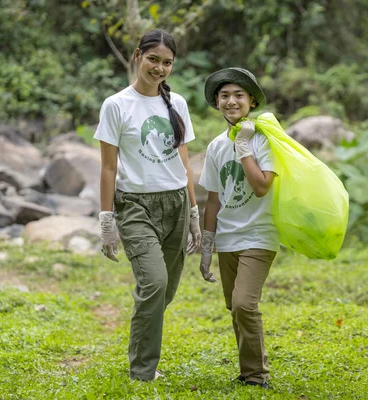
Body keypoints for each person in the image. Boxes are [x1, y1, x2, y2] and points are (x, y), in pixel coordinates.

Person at [94, 28, 201, 381]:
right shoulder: (116, 105)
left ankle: (143, 338)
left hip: (176, 203)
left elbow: (183, 162)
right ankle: (142, 370)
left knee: (165, 290)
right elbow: (109, 167)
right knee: (154, 284)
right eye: (153, 59)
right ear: (138, 56)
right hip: (136, 206)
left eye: (166, 62)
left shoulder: (178, 104)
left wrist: (194, 211)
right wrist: (107, 219)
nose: (159, 68)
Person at [199, 67, 279, 389]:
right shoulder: (216, 146)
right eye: (225, 96)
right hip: (228, 237)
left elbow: (261, 187)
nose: (231, 101)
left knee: (245, 303)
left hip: (259, 234)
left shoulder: (265, 140)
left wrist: (244, 147)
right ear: (217, 102)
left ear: (252, 101)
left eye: (239, 95)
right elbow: (214, 201)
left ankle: (257, 376)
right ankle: (248, 373)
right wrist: (207, 246)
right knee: (235, 306)